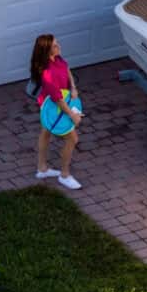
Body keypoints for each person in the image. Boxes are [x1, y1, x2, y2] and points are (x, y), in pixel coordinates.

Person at [29, 34, 84, 190]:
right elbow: (57, 98)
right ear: (46, 51)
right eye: (54, 45)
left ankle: (42, 169)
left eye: (57, 43)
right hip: (52, 106)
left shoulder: (57, 58)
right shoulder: (46, 73)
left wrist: (73, 86)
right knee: (72, 139)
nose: (58, 46)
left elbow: (67, 68)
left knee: (46, 132)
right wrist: (72, 115)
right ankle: (64, 175)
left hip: (59, 100)